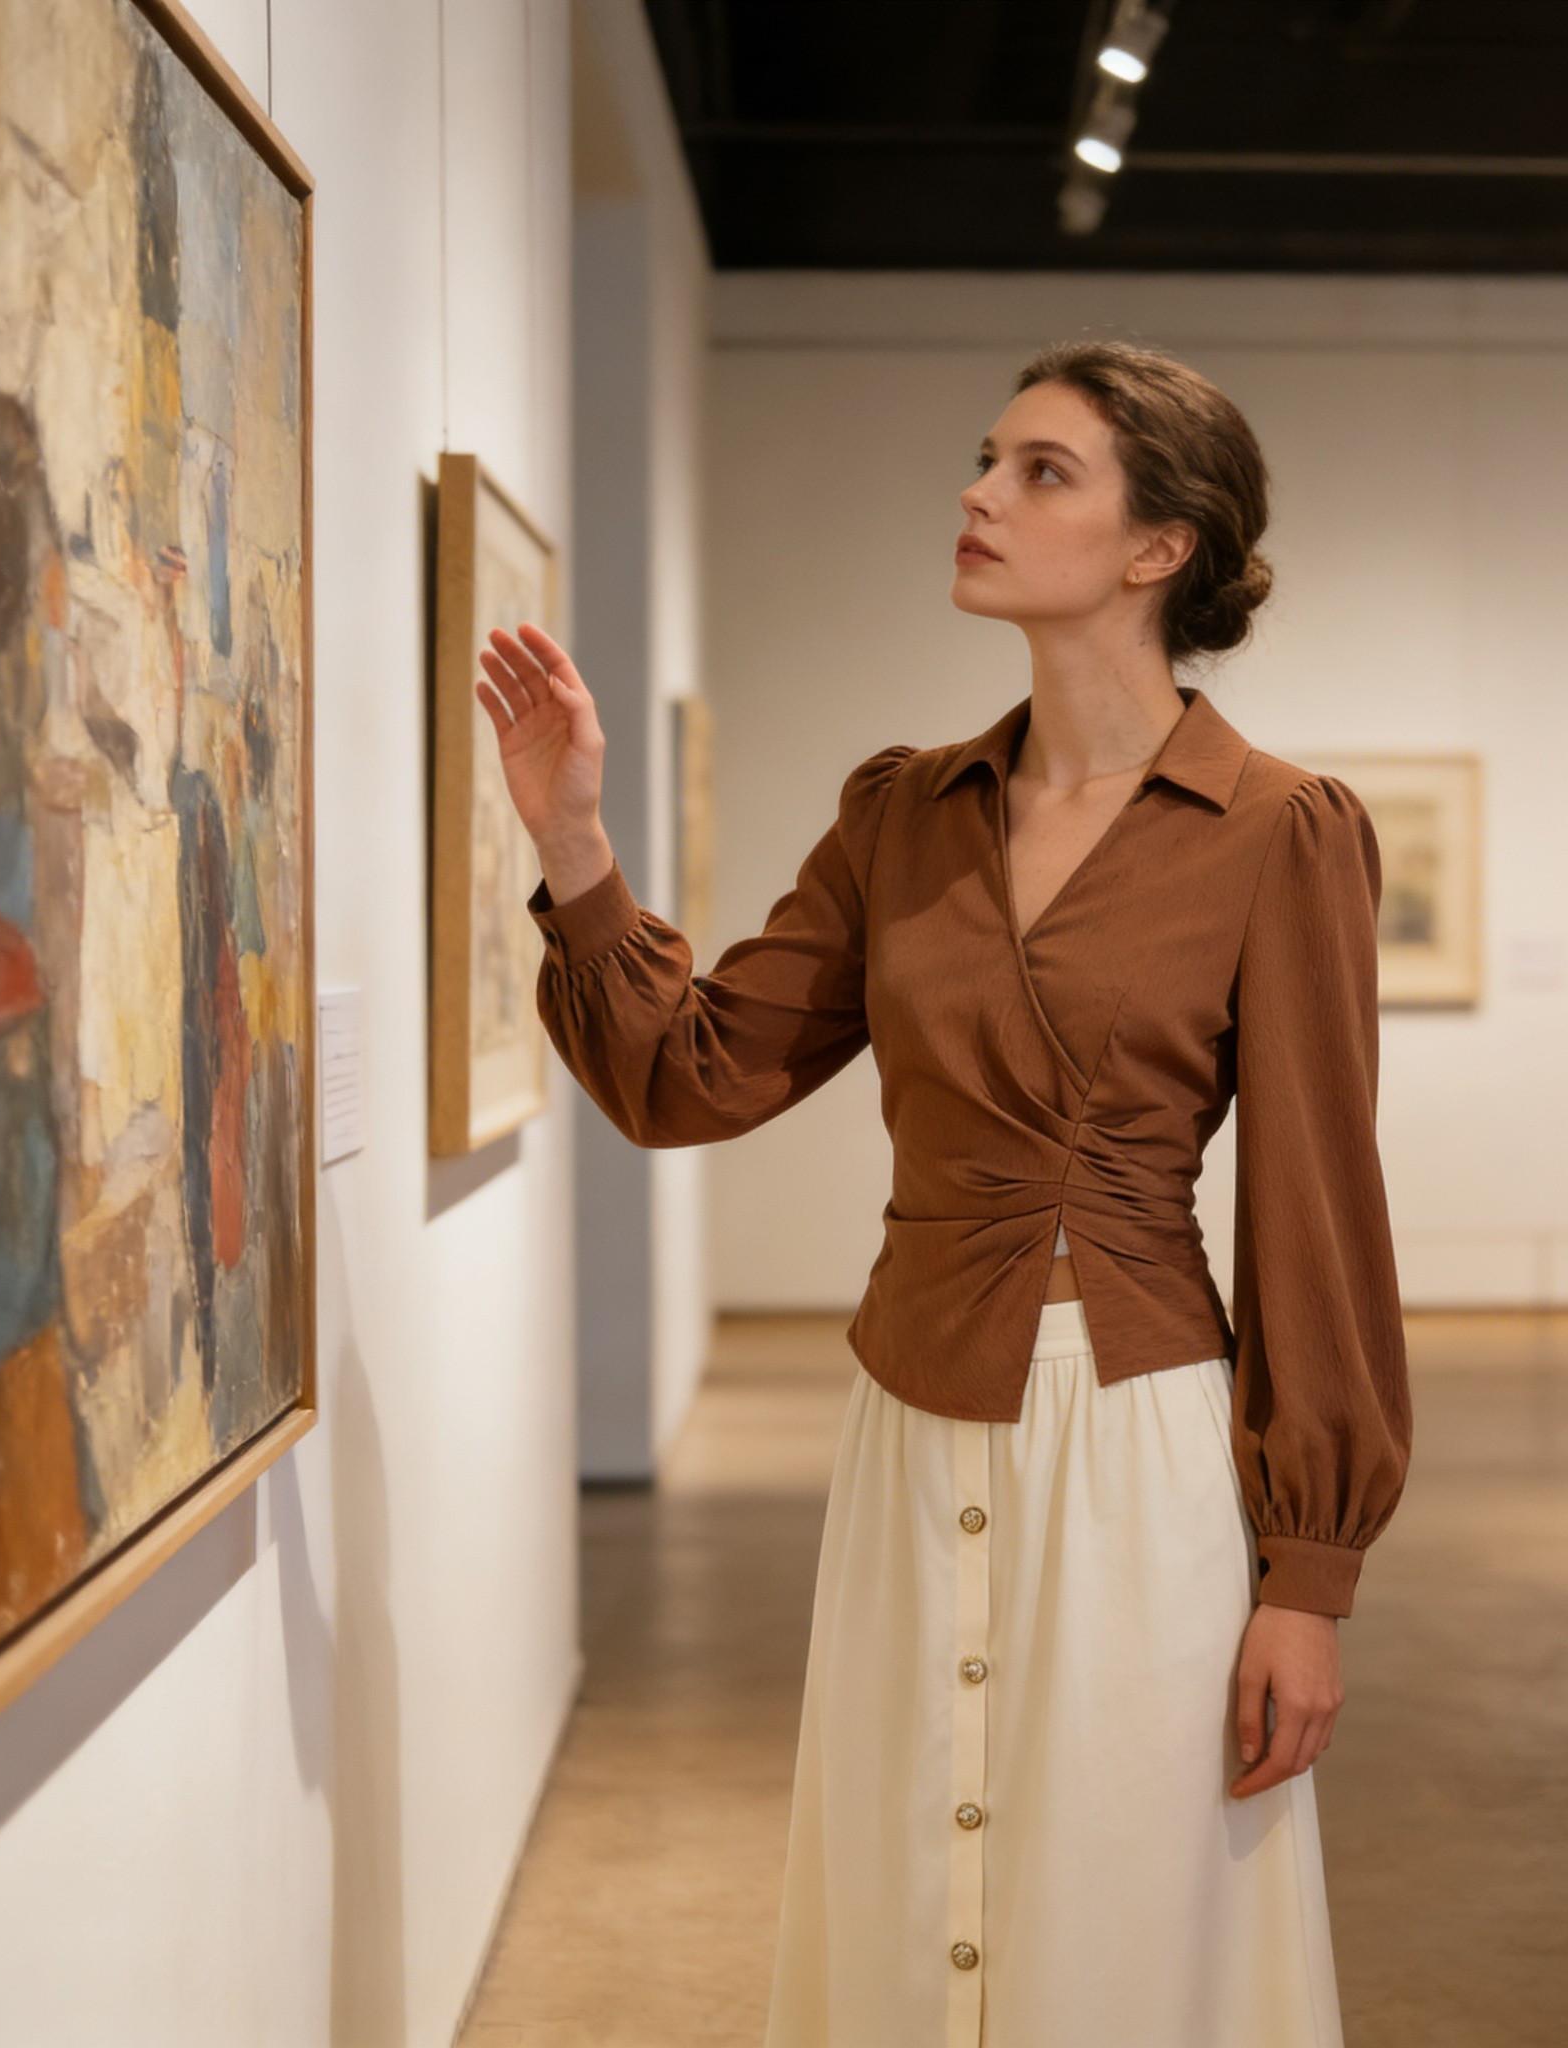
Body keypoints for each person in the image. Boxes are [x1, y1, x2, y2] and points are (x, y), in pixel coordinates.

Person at [476, 338, 1412, 2048]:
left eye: (1040, 471)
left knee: (1130, 1899)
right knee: (914, 1881)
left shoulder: (1280, 831)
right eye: (988, 460)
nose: (979, 496)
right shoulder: (905, 812)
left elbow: (1318, 1216)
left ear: (1159, 549)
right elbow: (694, 1078)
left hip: (1134, 1437)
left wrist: (1308, 1578)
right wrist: (574, 846)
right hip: (910, 1420)